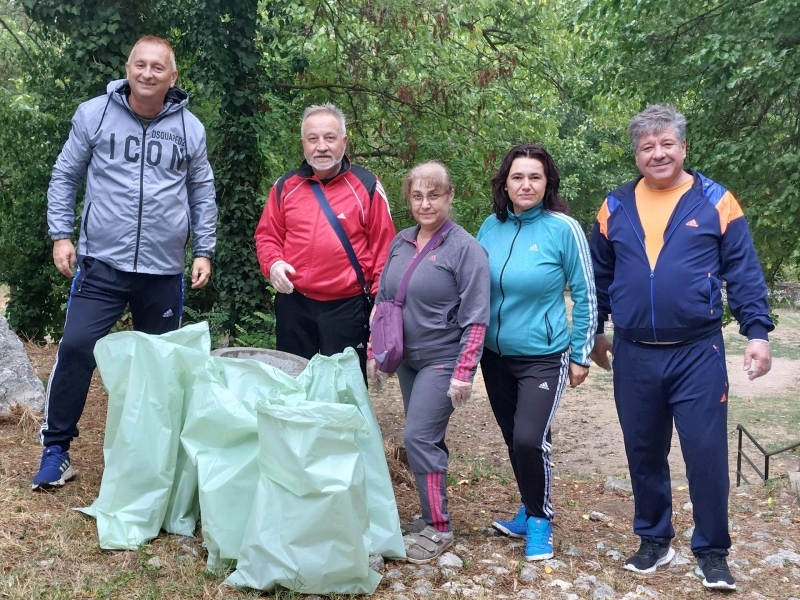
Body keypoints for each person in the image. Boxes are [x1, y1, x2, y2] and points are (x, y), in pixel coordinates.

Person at [589, 104, 773, 591]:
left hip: (698, 352)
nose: (658, 153)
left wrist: (757, 332)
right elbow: (598, 279)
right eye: (647, 146)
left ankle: (712, 550)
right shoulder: (615, 206)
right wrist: (596, 332)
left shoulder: (717, 201)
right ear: (636, 155)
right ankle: (654, 538)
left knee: (706, 451)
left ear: (684, 148)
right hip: (633, 352)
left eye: (667, 143)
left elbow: (744, 272)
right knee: (643, 449)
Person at [37, 35, 217, 491]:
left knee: (160, 367)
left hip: (162, 271)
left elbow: (202, 192)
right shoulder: (93, 114)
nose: (148, 73)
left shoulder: (190, 129)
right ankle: (56, 451)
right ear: (128, 68)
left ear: (172, 77)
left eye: (159, 67)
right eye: (141, 64)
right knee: (77, 348)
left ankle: (156, 459)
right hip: (101, 264)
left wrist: (204, 249)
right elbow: (65, 174)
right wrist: (61, 235)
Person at [476, 144, 597, 561]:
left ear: (548, 184)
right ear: (505, 184)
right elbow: (472, 287)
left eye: (535, 177)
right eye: (517, 177)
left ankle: (540, 520)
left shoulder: (563, 228)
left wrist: (581, 353)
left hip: (544, 355)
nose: (526, 184)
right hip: (493, 356)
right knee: (515, 438)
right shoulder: (489, 227)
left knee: (530, 438)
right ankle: (527, 511)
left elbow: (586, 293)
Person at [367, 162, 490, 564]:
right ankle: (427, 515)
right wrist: (374, 352)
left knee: (418, 436)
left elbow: (476, 316)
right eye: (417, 195)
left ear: (450, 196)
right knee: (425, 438)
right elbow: (385, 301)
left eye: (434, 194)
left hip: (443, 360)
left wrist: (464, 373)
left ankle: (439, 527)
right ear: (409, 198)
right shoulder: (401, 242)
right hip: (407, 360)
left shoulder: (465, 248)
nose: (425, 203)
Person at [254, 103, 395, 378]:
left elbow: (385, 250)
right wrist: (273, 264)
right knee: (293, 383)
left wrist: (382, 302)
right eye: (313, 139)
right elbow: (267, 235)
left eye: (330, 138)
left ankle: (348, 424)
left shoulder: (367, 187)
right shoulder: (285, 186)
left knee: (345, 388)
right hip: (294, 302)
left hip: (347, 306)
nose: (321, 147)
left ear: (343, 141)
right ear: (303, 144)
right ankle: (297, 423)